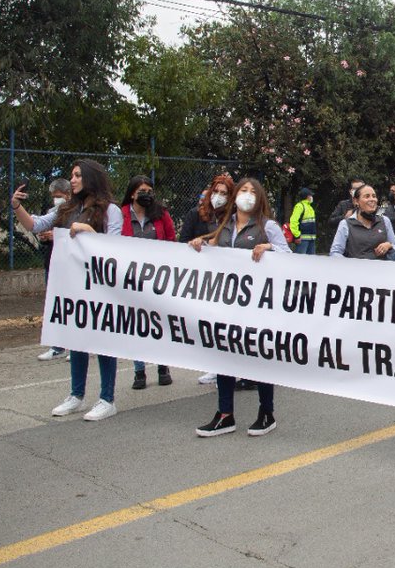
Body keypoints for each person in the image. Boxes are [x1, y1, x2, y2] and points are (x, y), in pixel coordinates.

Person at [12, 160, 124, 421]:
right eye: (71, 176)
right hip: (73, 284)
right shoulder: (67, 208)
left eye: (77, 176)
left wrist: (88, 230)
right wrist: (16, 206)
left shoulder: (110, 211)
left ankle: (107, 399)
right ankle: (76, 395)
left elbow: (116, 248)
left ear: (91, 179)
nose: (72, 180)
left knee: (103, 341)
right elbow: (35, 225)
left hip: (100, 286)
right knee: (77, 340)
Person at [190, 178, 291, 438]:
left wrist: (270, 247)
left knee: (258, 357)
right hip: (227, 303)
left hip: (258, 306)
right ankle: (225, 415)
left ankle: (266, 413)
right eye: (243, 191)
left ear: (260, 199)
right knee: (224, 354)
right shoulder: (224, 225)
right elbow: (215, 251)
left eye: (252, 192)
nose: (247, 195)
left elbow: (289, 257)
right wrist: (200, 245)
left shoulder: (267, 226)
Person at [120, 175, 176, 390]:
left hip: (157, 279)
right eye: (142, 190)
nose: (146, 194)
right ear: (132, 193)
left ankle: (163, 367)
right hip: (131, 279)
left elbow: (171, 241)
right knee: (136, 326)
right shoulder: (122, 214)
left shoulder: (161, 215)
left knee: (158, 323)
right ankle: (139, 370)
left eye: (149, 190)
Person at [180, 175, 235, 387]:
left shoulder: (232, 219)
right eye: (216, 191)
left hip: (226, 280)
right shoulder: (196, 215)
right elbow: (182, 243)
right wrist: (196, 244)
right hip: (202, 281)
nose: (218, 197)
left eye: (224, 193)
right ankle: (216, 366)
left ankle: (227, 367)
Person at [37, 178, 72, 362]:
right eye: (54, 196)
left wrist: (56, 236)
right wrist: (45, 237)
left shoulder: (75, 212)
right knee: (54, 306)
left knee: (72, 306)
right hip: (52, 262)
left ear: (68, 195)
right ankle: (57, 347)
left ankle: (76, 347)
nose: (56, 200)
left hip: (70, 265)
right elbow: (38, 226)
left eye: (59, 196)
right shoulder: (52, 213)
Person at [329, 183, 395, 259]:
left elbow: (394, 247)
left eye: (374, 196)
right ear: (356, 201)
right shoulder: (345, 224)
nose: (372, 199)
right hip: (356, 269)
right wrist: (349, 266)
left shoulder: (385, 221)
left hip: (380, 269)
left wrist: (389, 245)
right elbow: (335, 252)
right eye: (367, 196)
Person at [288, 187, 317, 255]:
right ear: (307, 196)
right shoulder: (300, 206)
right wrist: (297, 236)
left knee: (311, 263)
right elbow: (293, 222)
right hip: (302, 240)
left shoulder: (309, 207)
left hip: (311, 239)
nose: (311, 197)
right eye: (310, 195)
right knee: (300, 262)